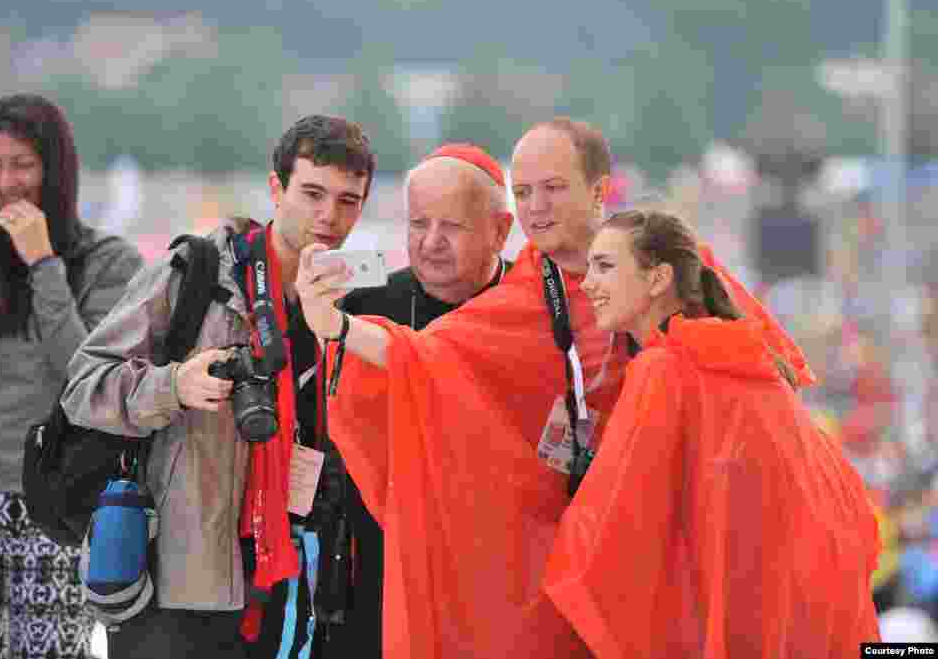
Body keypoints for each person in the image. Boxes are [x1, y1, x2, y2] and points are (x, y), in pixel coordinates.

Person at [295, 118, 815, 659]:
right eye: (524, 192)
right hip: (585, 543)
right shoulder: (524, 292)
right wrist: (336, 328)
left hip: (691, 532)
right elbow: (427, 358)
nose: (536, 207)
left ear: (598, 191)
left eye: (552, 188)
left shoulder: (665, 260)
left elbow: (769, 377)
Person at [60, 114, 376, 659]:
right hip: (182, 581)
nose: (329, 216)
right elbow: (84, 386)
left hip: (290, 577)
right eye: (313, 193)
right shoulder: (200, 274)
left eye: (348, 201)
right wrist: (172, 385)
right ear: (277, 189)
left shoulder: (348, 302)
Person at [544, 209, 880, 656]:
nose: (587, 284)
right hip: (788, 623)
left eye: (605, 266)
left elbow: (616, 528)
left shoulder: (664, 370)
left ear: (658, 278)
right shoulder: (748, 362)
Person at [0, 94, 144, 659]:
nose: (6, 181)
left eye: (22, 164)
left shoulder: (108, 262)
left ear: (55, 171)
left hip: (47, 503)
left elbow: (87, 377)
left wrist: (44, 265)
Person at [318, 143, 514, 657]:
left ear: (500, 230)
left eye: (451, 227)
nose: (430, 243)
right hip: (380, 557)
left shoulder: (533, 302)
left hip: (490, 563)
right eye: (417, 224)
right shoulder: (366, 300)